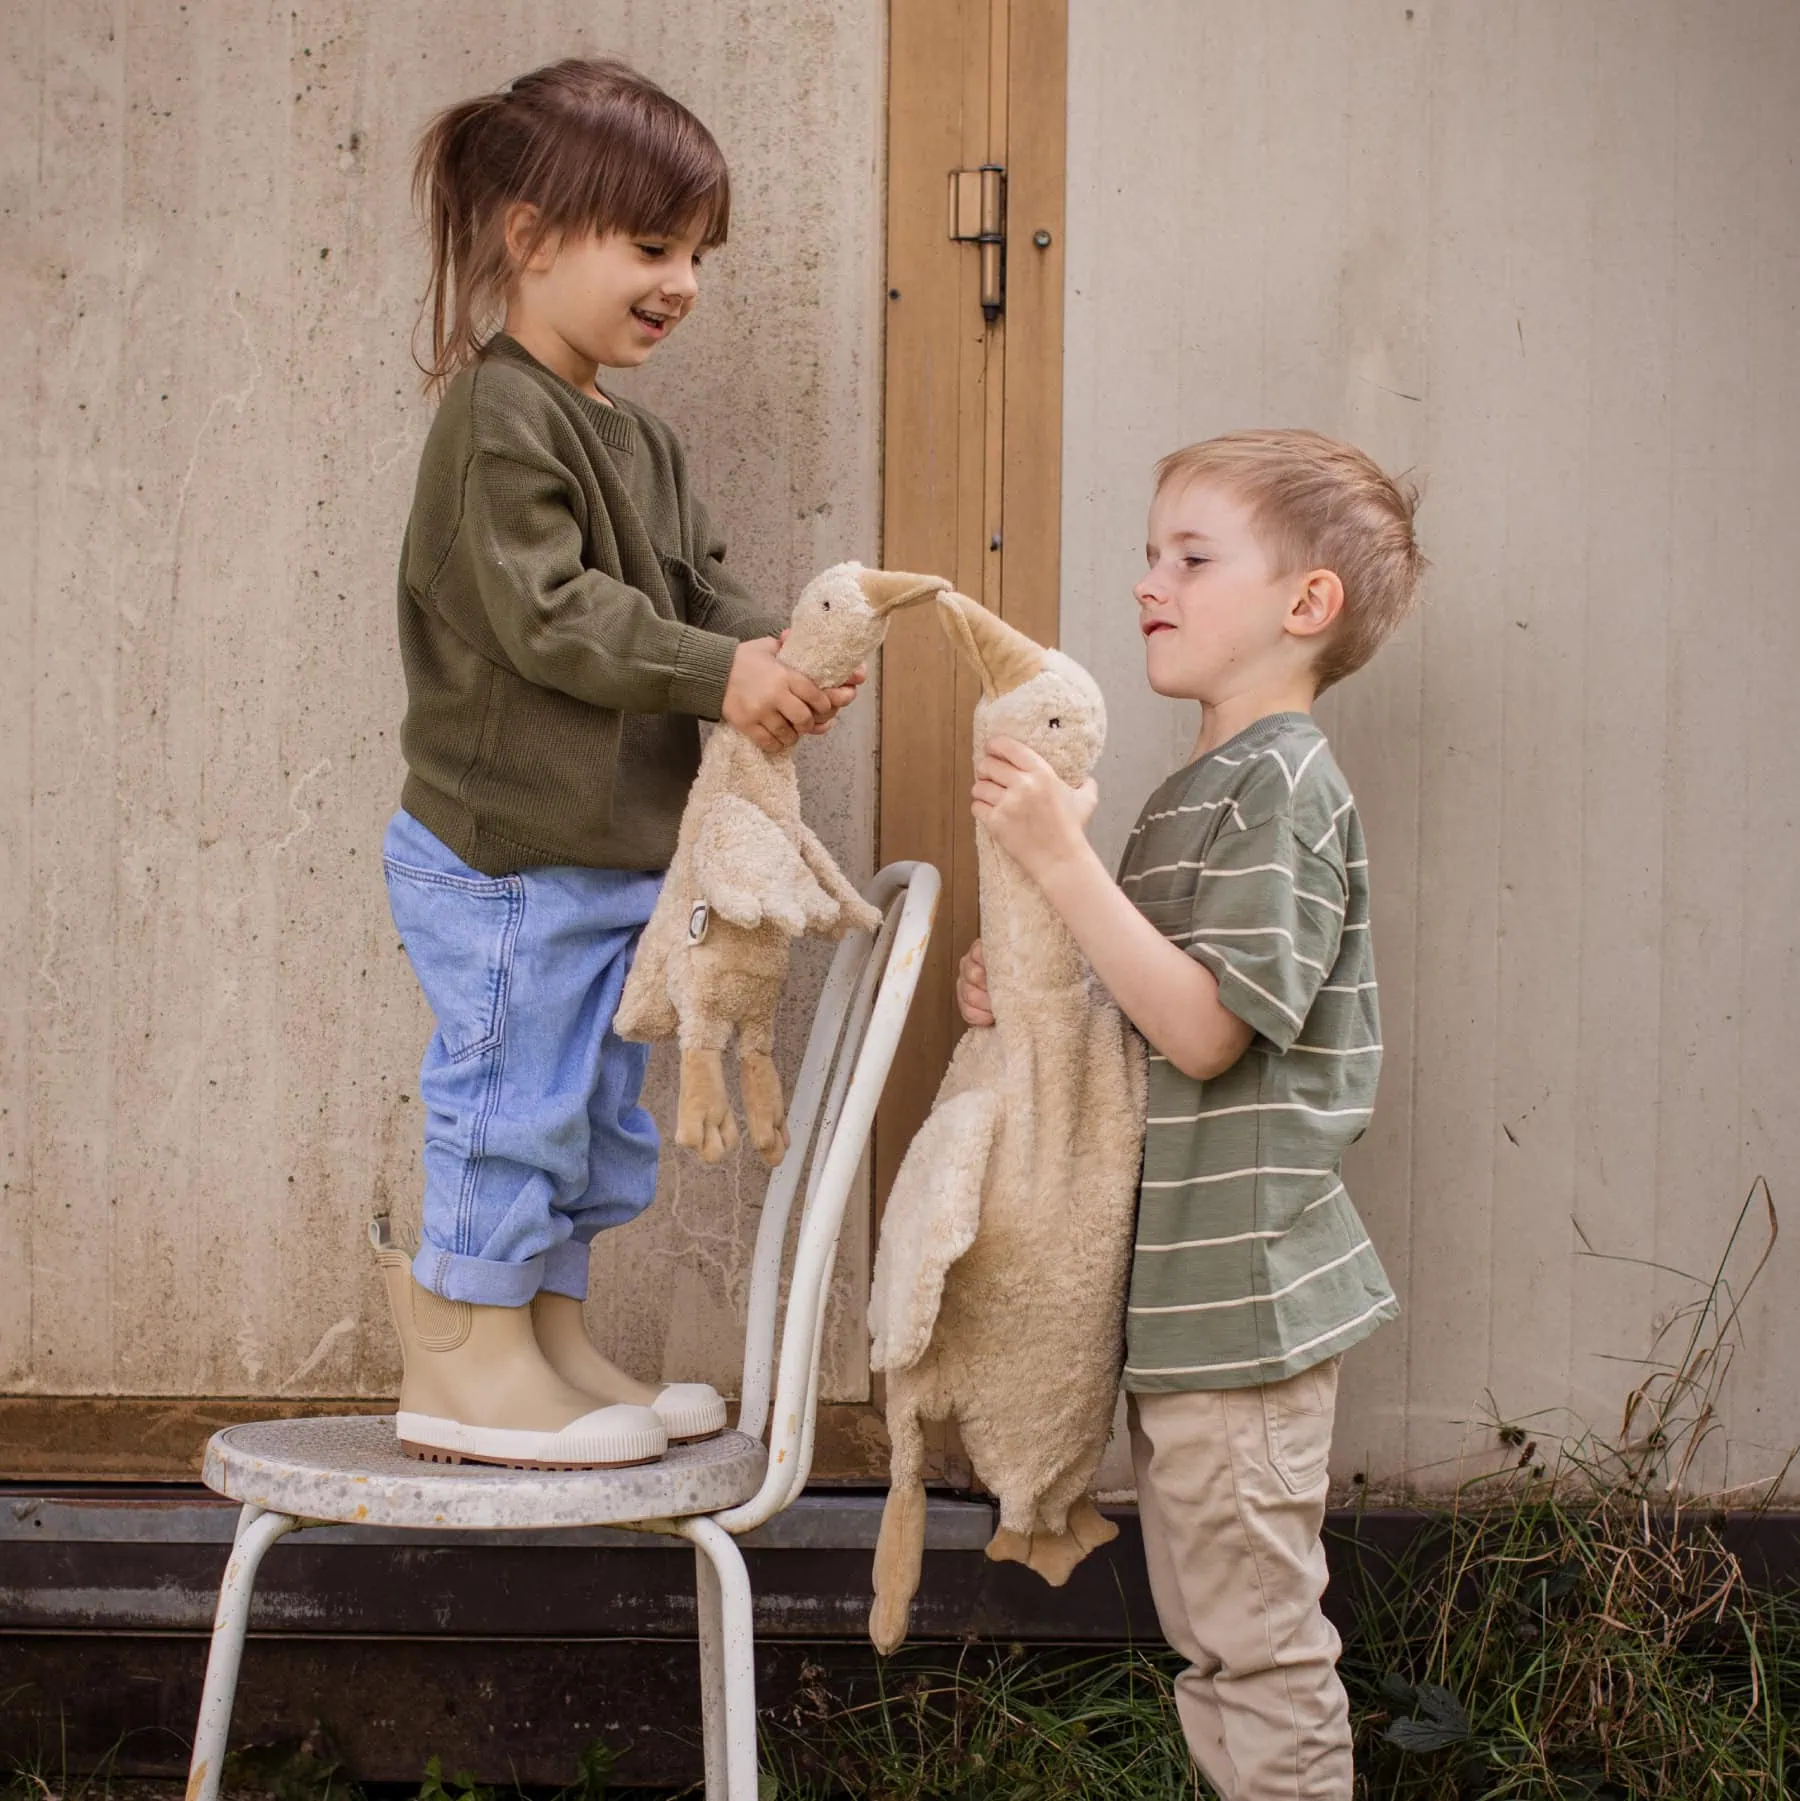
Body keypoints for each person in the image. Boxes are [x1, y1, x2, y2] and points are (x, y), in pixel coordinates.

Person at [379, 57, 861, 1469]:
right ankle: (461, 1361)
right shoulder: (498, 418)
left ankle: (546, 1339)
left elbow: (691, 592)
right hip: (505, 855)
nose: (683, 283)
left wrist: (783, 649)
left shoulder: (637, 437)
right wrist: (723, 676)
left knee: (588, 1114)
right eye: (653, 247)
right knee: (510, 1097)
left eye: (697, 253)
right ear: (531, 239)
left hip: (597, 856)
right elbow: (552, 614)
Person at [956, 430, 1424, 1797]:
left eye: (1193, 557)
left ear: (1307, 603)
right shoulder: (1193, 793)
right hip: (1188, 1305)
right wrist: (1034, 978)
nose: (1149, 581)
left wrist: (1063, 862)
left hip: (1243, 1303)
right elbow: (1151, 1016)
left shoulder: (1282, 784)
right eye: (1150, 554)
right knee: (1216, 1641)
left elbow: (1212, 1031)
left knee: (1256, 1646)